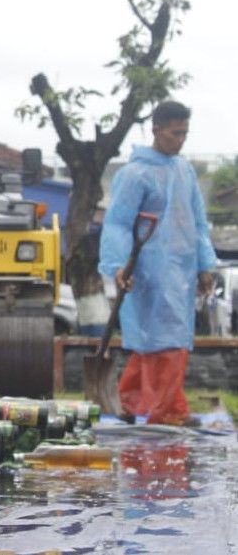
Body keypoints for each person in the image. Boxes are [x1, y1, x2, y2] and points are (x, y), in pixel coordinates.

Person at [98, 101, 216, 427]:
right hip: (147, 272)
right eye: (176, 133)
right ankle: (166, 412)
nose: (181, 140)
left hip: (181, 270)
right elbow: (118, 223)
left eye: (185, 133)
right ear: (157, 129)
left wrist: (205, 265)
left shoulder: (185, 170)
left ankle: (135, 402)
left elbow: (198, 221)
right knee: (160, 343)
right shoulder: (134, 174)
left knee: (165, 342)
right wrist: (119, 266)